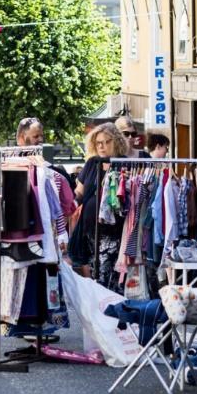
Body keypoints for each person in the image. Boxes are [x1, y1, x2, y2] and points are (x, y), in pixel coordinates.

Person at [71, 122, 129, 289]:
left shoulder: (125, 163)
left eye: (107, 142)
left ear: (116, 141)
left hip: (113, 230)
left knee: (106, 273)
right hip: (89, 230)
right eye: (98, 143)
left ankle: (109, 307)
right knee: (95, 272)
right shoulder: (92, 163)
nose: (102, 146)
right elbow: (79, 193)